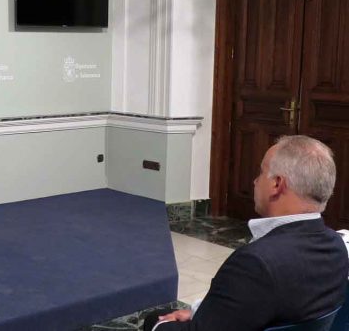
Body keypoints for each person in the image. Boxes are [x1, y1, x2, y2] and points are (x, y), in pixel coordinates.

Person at [145, 135, 349, 331]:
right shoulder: (337, 247)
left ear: (277, 184)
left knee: (156, 318)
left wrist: (158, 325)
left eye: (261, 172)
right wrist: (199, 312)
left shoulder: (255, 263)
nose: (255, 181)